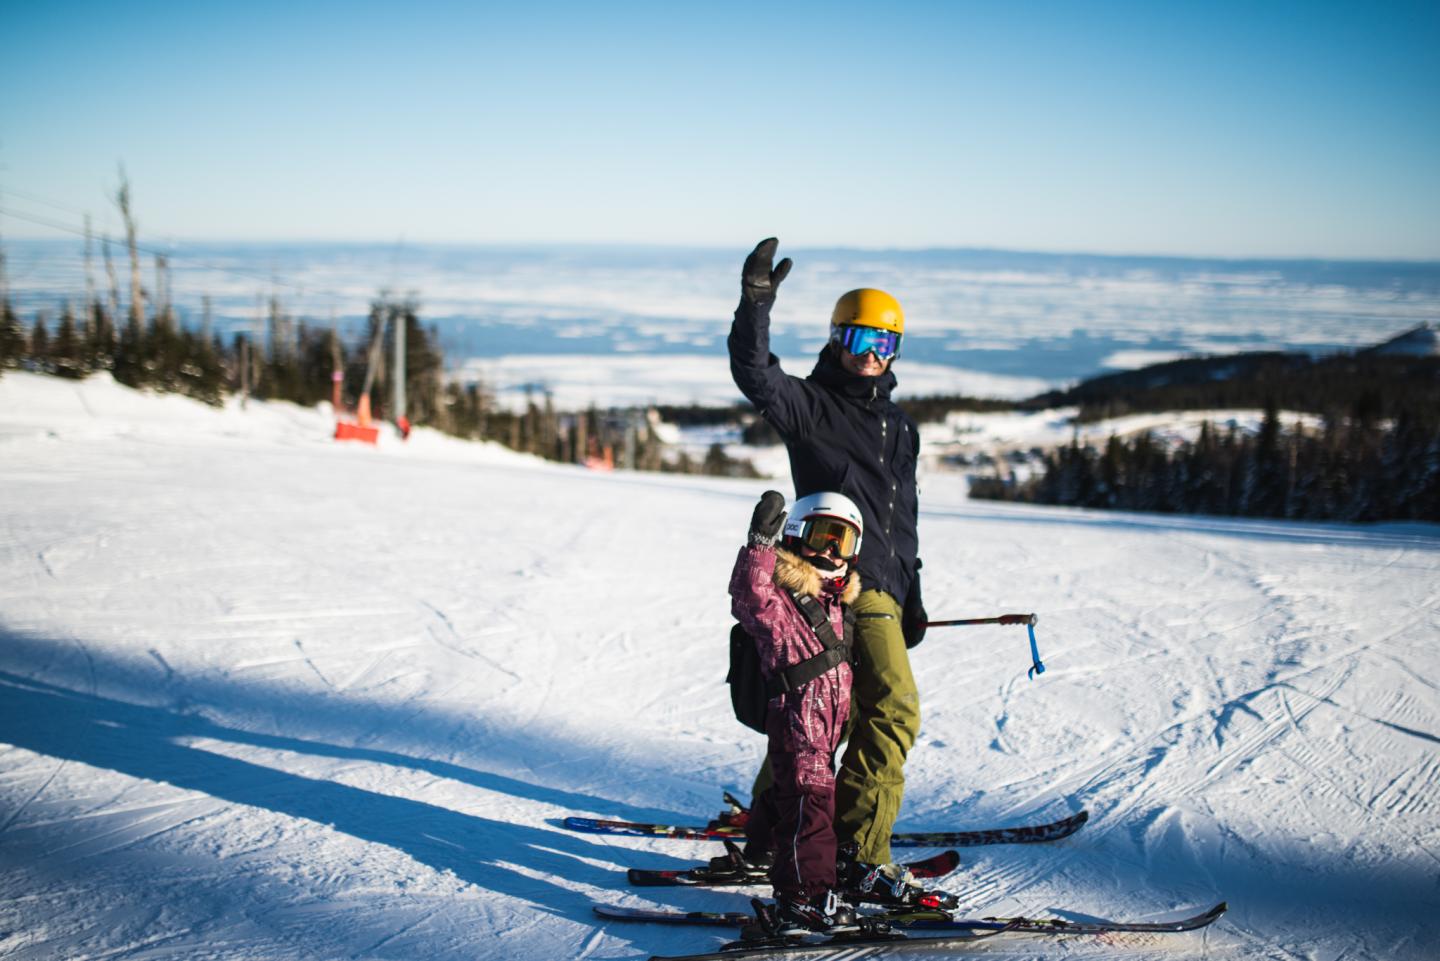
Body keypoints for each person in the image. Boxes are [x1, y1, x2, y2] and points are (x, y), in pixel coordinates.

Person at [728, 237, 928, 904]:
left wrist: (914, 587)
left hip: (887, 591)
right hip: (839, 586)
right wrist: (755, 307)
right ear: (839, 337)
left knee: (820, 716)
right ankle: (861, 856)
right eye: (863, 335)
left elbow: (902, 514)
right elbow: (757, 375)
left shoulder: (901, 426)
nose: (874, 351)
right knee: (892, 709)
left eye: (887, 340)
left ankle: (770, 832)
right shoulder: (813, 407)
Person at [730, 489, 863, 935]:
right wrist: (759, 547)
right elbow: (750, 594)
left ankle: (763, 848)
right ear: (795, 535)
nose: (831, 549)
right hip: (797, 723)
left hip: (824, 732)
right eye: (824, 535)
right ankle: (801, 898)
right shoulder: (781, 601)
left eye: (842, 541)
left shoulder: (837, 603)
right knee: (811, 807)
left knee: (792, 795)